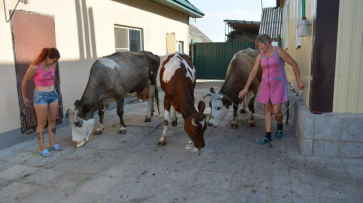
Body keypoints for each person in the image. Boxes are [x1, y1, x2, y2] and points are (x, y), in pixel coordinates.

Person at [238, 34, 305, 144]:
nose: (259, 48)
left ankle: (279, 124)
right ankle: (268, 135)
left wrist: (298, 81)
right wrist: (246, 88)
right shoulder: (261, 55)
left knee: (276, 111)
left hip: (278, 84)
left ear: (267, 43)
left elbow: (293, 64)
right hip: (265, 85)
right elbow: (254, 71)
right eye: (258, 46)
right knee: (267, 110)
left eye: (260, 45)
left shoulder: (279, 52)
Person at [22, 48, 63, 157]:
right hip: (40, 96)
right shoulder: (34, 67)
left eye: (56, 61)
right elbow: (25, 82)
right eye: (53, 60)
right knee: (42, 123)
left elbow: (52, 79)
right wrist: (24, 97)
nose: (55, 63)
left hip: (53, 94)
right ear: (46, 57)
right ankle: (42, 148)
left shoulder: (52, 66)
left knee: (53, 120)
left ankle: (52, 143)